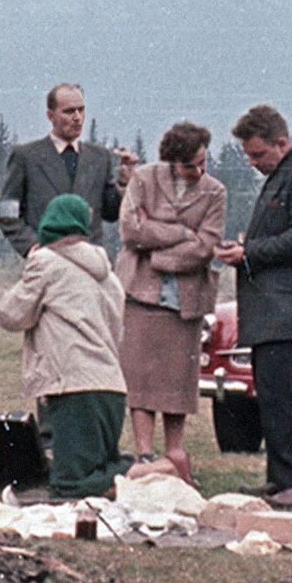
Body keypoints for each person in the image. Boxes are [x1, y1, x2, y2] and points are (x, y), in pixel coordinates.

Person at [213, 104, 292, 507]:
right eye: (248, 156)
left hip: (290, 312)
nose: (253, 163)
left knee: (288, 397)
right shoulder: (280, 177)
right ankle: (281, 479)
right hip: (272, 313)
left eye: (258, 154)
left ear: (281, 143)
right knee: (273, 397)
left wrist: (249, 252)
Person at [0, 194, 133, 499]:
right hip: (110, 385)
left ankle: (156, 470)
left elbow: (10, 315)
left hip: (74, 386)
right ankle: (143, 473)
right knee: (97, 472)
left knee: (69, 484)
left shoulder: (46, 262)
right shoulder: (108, 275)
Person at [116, 121, 227, 484]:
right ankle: (144, 454)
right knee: (141, 378)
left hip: (185, 300)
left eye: (202, 163)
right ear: (172, 162)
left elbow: (206, 245)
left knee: (177, 382)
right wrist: (180, 233)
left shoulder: (215, 192)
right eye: (190, 165)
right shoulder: (144, 180)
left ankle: (174, 455)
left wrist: (157, 252)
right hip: (141, 295)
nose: (198, 171)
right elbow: (130, 229)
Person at [0, 83, 138, 256]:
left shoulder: (100, 157)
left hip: (91, 264)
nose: (77, 117)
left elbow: (110, 213)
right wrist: (32, 246)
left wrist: (124, 183)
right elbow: (7, 212)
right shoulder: (26, 157)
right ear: (51, 115)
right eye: (69, 111)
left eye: (81, 110)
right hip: (46, 262)